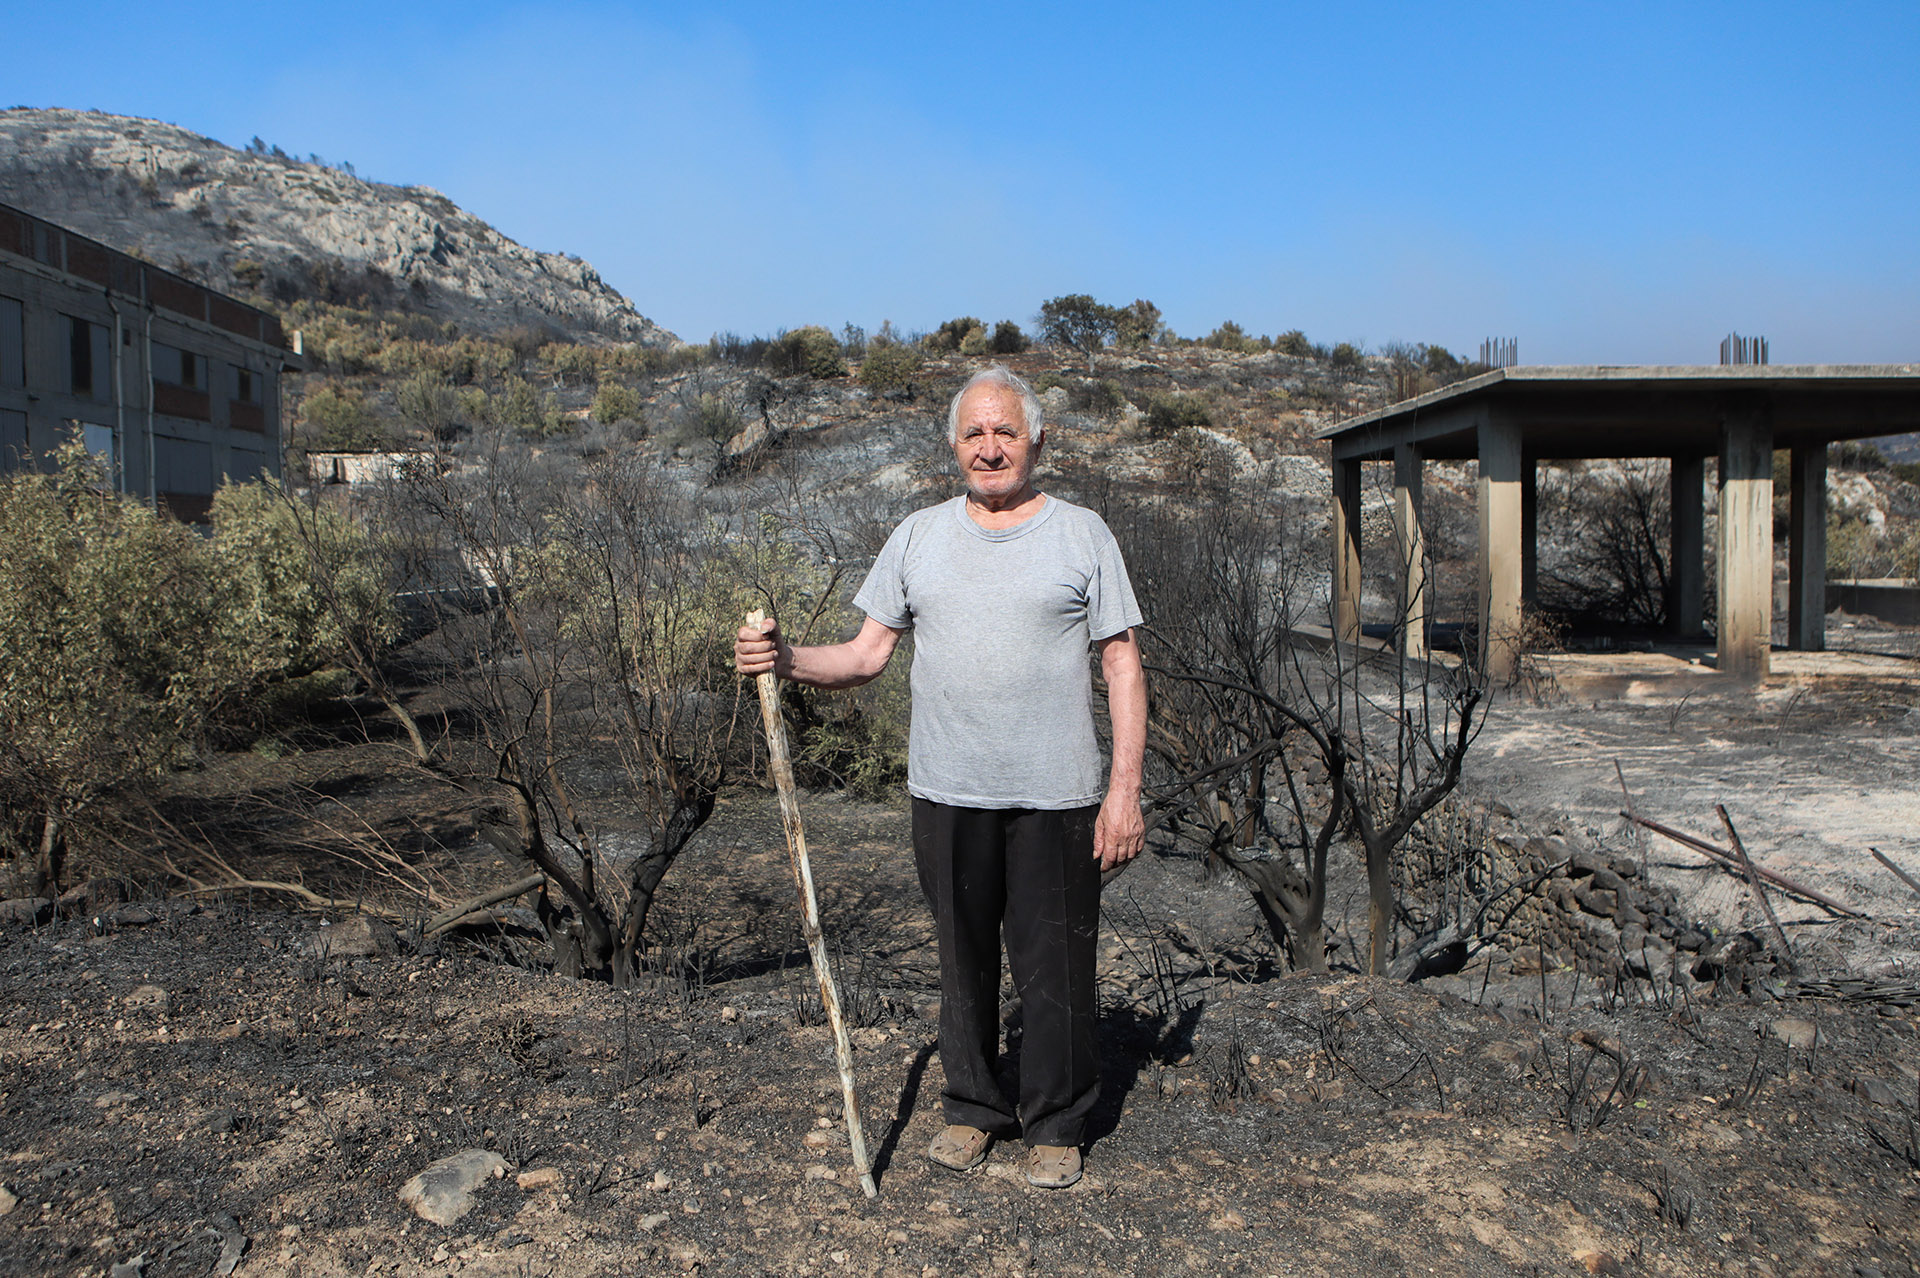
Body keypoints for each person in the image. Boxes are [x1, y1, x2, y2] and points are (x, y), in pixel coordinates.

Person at [734, 364, 1146, 1189]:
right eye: (973, 433)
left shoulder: (1082, 534)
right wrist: (783, 660)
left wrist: (1124, 793)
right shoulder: (918, 536)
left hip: (1057, 794)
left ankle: (1056, 1124)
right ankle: (974, 1109)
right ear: (953, 445)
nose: (989, 448)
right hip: (947, 793)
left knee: (1057, 968)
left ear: (1037, 440)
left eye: (1005, 432)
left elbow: (1122, 664)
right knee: (962, 960)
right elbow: (865, 655)